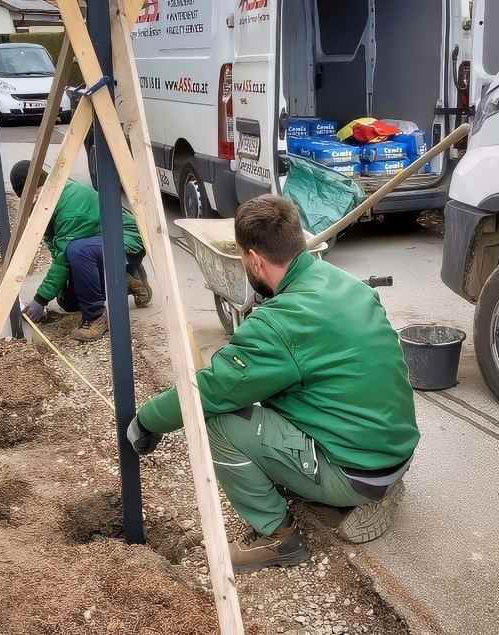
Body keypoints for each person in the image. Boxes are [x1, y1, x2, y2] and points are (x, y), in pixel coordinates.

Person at [127, 194, 419, 573]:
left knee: (220, 423)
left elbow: (211, 391)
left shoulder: (279, 323)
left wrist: (148, 420)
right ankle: (350, 489)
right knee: (273, 397)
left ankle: (279, 539)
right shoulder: (346, 284)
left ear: (254, 259)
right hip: (394, 451)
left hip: (358, 471)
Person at [9, 160, 152, 342]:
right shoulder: (51, 198)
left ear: (37, 189)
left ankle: (96, 318)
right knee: (68, 302)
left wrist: (41, 299)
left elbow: (63, 257)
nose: (31, 204)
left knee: (78, 251)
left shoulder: (69, 208)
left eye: (31, 198)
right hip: (99, 245)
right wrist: (58, 288)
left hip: (125, 241)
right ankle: (127, 280)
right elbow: (57, 250)